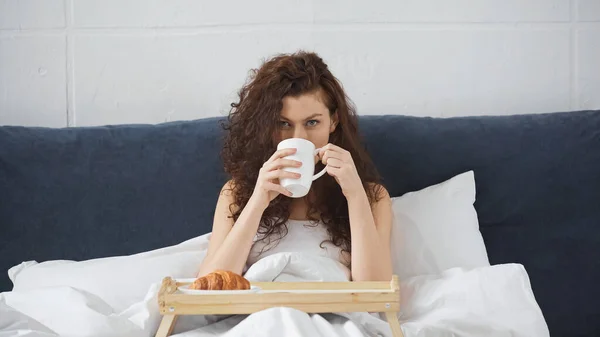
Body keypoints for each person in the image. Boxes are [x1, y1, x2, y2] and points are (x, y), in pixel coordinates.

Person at [197, 51, 392, 282]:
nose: (300, 137)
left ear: (333, 121)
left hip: (333, 314)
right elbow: (210, 286)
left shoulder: (372, 197)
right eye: (283, 124)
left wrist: (355, 195)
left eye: (312, 122)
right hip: (261, 313)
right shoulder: (237, 193)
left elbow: (376, 293)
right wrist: (258, 200)